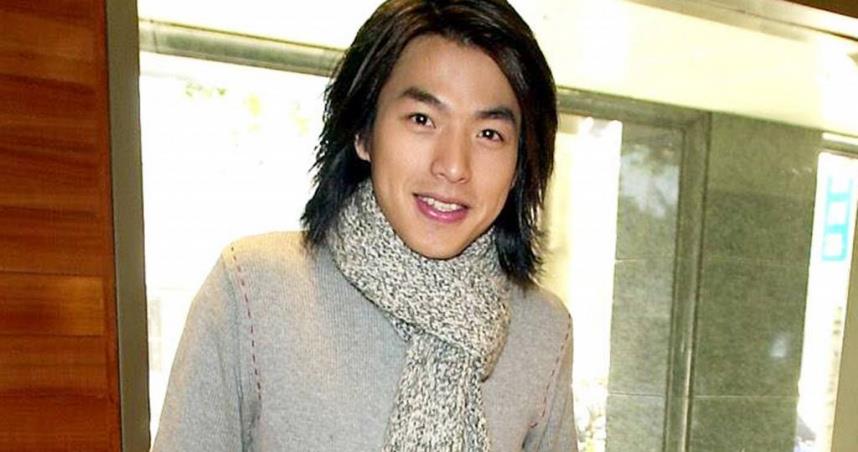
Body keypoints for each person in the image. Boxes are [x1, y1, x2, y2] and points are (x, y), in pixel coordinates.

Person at [152, 0, 576, 450]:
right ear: (363, 132)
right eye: (422, 119)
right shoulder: (252, 290)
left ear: (520, 163)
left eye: (489, 134)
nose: (453, 166)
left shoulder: (544, 331)